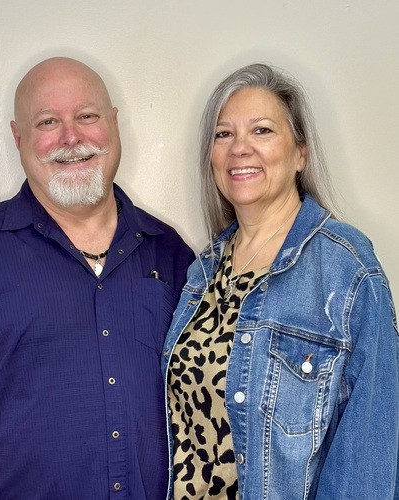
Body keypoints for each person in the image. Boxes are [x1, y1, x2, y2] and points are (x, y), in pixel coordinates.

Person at [0, 56, 194, 499]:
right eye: (48, 122)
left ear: (113, 123)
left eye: (87, 116)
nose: (71, 137)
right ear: (19, 137)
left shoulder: (171, 253)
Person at [162, 63, 398, 499]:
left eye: (262, 131)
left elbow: (370, 454)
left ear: (300, 154)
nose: (240, 148)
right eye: (223, 134)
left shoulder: (345, 268)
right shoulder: (203, 271)